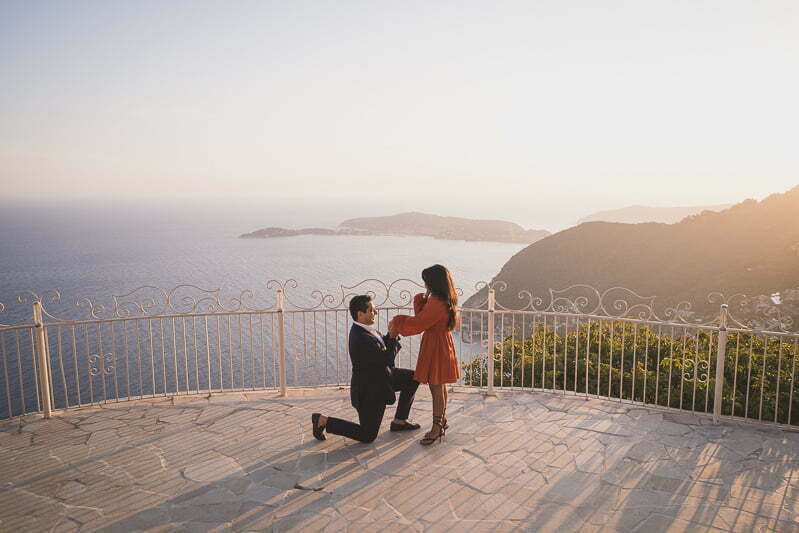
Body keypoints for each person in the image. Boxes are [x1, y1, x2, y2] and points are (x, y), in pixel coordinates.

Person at [311, 294, 421, 443]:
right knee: (368, 435)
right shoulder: (360, 337)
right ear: (360, 314)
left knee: (413, 378)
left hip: (382, 378)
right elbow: (387, 360)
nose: (375, 312)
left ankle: (399, 421)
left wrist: (390, 334)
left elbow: (383, 352)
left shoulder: (367, 330)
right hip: (369, 391)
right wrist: (393, 337)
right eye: (372, 310)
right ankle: (323, 421)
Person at [389, 264, 460, 445]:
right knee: (440, 386)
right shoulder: (445, 299)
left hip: (435, 346)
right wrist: (423, 298)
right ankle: (441, 421)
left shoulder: (437, 302)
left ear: (433, 283)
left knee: (436, 387)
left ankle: (436, 428)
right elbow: (424, 317)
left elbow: (419, 323)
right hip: (442, 343)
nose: (425, 285)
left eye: (426, 282)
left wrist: (398, 322)